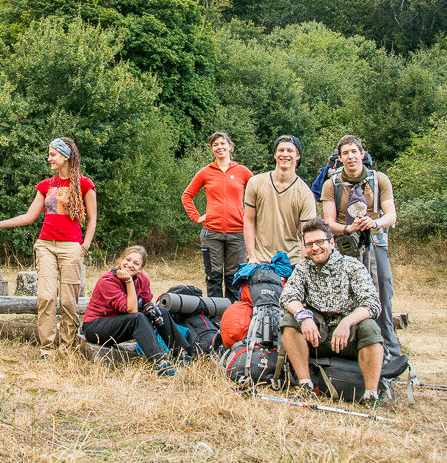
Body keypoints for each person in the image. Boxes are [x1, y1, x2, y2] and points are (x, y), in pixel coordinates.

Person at [0, 137, 97, 357]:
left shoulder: (84, 184)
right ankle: (48, 349)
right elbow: (29, 216)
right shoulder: (46, 185)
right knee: (46, 297)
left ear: (66, 156)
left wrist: (84, 246)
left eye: (53, 154)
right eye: (49, 154)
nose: (49, 158)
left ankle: (67, 349)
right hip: (45, 246)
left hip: (72, 247)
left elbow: (92, 218)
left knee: (70, 301)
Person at [279, 218, 385, 404]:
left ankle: (371, 395)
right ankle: (305, 385)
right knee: (290, 320)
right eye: (310, 244)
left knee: (370, 327)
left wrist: (347, 322)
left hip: (348, 336)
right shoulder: (303, 268)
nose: (315, 248)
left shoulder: (351, 266)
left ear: (331, 242)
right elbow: (287, 297)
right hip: (318, 336)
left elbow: (372, 303)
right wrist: (304, 317)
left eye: (320, 242)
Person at [321, 135, 400, 361]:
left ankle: (389, 350)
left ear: (362, 154)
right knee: (345, 296)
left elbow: (391, 215)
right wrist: (348, 229)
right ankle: (349, 347)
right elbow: (328, 223)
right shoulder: (331, 185)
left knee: (381, 294)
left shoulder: (379, 180)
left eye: (354, 152)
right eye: (345, 153)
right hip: (346, 247)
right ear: (340, 157)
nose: (350, 157)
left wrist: (374, 223)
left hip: (375, 244)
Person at [81, 245, 191, 375]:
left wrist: (150, 308)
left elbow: (146, 301)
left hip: (120, 323)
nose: (130, 265)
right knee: (137, 318)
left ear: (141, 268)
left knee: (161, 312)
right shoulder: (108, 280)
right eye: (127, 260)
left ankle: (182, 354)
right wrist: (128, 281)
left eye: (136, 263)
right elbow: (131, 310)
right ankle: (161, 363)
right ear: (121, 259)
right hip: (96, 327)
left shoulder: (142, 279)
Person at [182, 132, 254, 300]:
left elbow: (259, 195)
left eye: (223, 143)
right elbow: (187, 196)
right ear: (212, 149)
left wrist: (251, 219)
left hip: (237, 232)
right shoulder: (206, 172)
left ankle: (232, 315)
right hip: (212, 232)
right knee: (213, 276)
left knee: (233, 276)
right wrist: (196, 216)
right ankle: (214, 317)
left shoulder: (242, 172)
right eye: (215, 145)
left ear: (230, 146)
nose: (219, 147)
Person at [243, 135, 317, 265]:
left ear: (297, 156)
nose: (285, 154)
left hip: (291, 260)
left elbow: (307, 233)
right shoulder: (255, 183)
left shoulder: (305, 193)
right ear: (275, 154)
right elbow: (249, 221)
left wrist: (304, 262)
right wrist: (251, 256)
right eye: (281, 150)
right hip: (261, 260)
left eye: (290, 151)